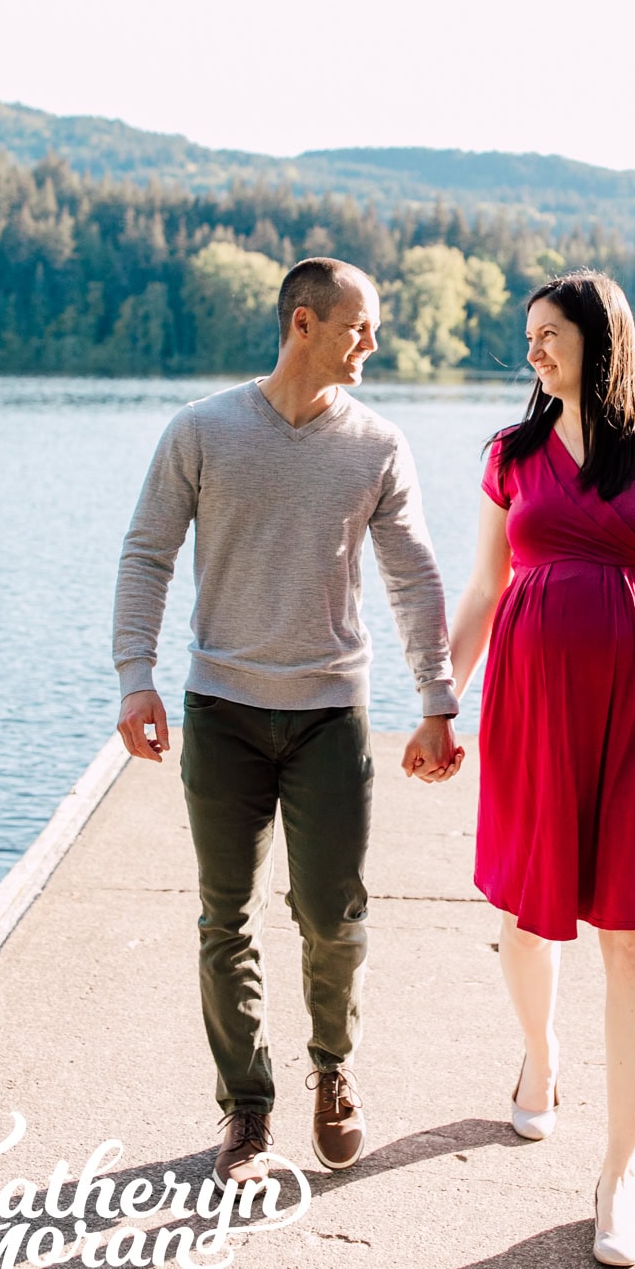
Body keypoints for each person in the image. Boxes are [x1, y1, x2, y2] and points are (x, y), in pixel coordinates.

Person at [112, 256, 463, 1189]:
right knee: (223, 918)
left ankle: (332, 1067)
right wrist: (133, 678)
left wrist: (436, 697)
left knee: (333, 916)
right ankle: (247, 1108)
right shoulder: (202, 431)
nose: (373, 344)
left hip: (328, 717)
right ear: (302, 322)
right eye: (360, 325)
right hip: (220, 709)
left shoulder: (377, 444)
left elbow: (415, 575)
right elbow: (147, 553)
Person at [448, 270, 635, 1267]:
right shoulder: (511, 454)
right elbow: (487, 584)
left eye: (549, 334)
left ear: (598, 340)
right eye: (528, 334)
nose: (531, 350)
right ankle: (541, 1053)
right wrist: (441, 693)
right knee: (528, 920)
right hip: (533, 707)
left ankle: (621, 1171)